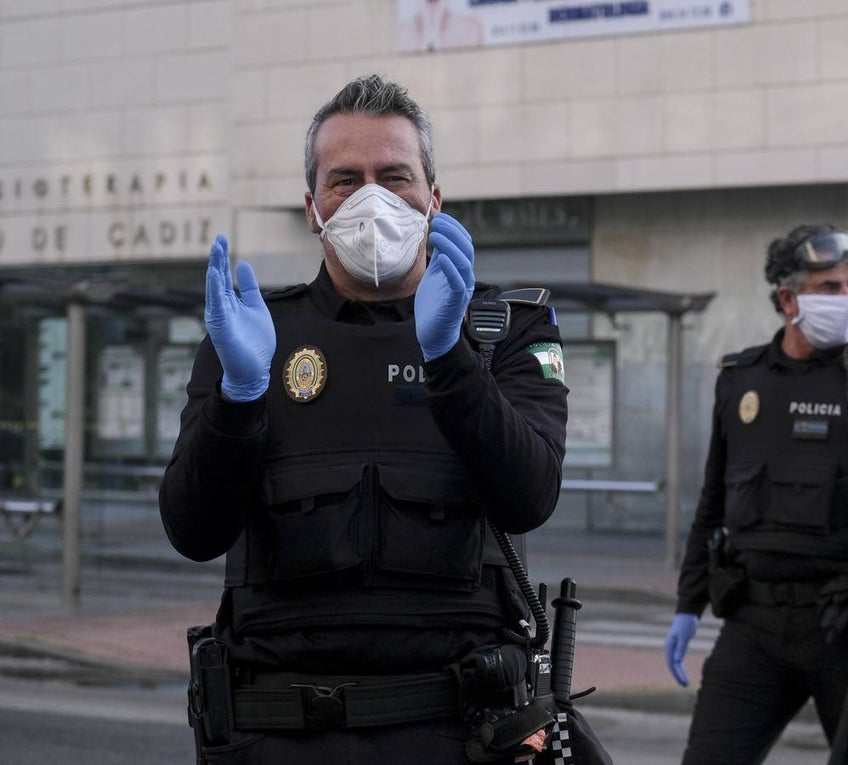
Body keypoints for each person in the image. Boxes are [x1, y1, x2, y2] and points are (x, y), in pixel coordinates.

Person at [159, 74, 568, 764]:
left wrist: (451, 359)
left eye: (395, 176)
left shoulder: (504, 331)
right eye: (345, 179)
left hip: (457, 733)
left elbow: (529, 493)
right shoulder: (256, 333)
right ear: (314, 207)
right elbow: (193, 531)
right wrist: (239, 394)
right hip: (278, 732)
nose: (372, 197)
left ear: (433, 199)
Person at [662, 223, 848, 764]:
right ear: (788, 298)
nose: (847, 300)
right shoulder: (742, 380)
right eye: (830, 288)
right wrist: (689, 604)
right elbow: (712, 503)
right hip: (754, 623)